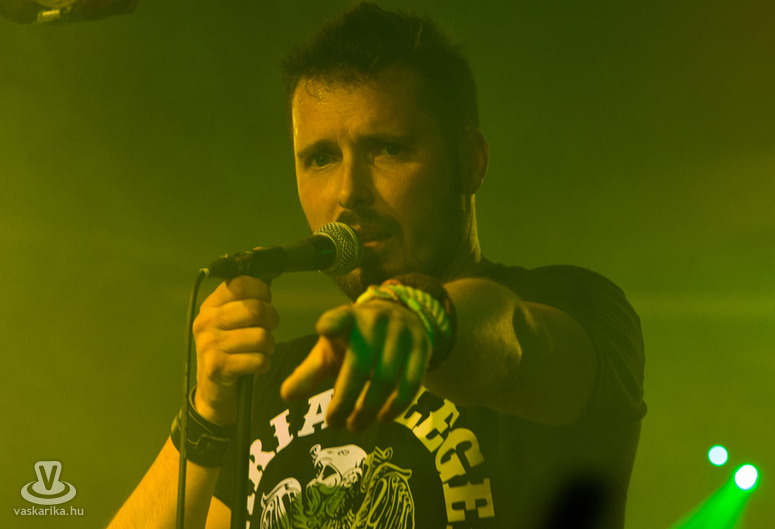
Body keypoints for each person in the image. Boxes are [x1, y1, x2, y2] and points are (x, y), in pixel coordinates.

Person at [106, 2, 646, 528]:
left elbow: (513, 340)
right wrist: (208, 413)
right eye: (321, 158)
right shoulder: (279, 379)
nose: (349, 192)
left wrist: (421, 312)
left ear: (471, 163)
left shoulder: (582, 307)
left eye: (386, 149)